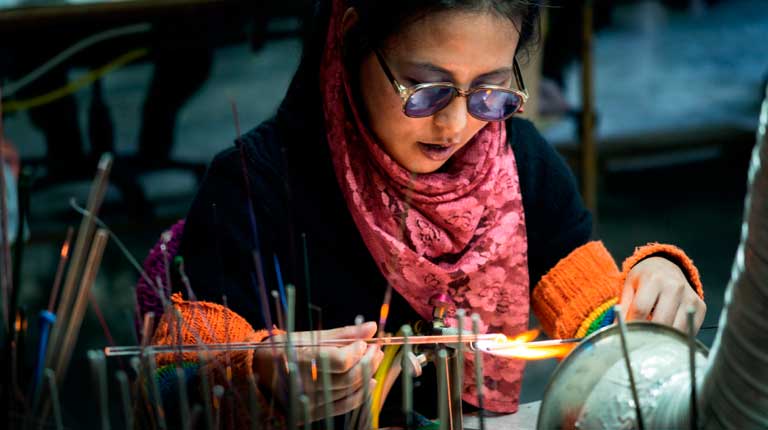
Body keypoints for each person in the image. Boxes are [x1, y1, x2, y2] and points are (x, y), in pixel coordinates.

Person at [147, 0, 706, 426]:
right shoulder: (256, 184)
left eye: (490, 91)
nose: (457, 125)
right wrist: (258, 379)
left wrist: (648, 300)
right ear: (349, 37)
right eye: (425, 88)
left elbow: (598, 321)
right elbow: (174, 385)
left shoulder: (522, 165)